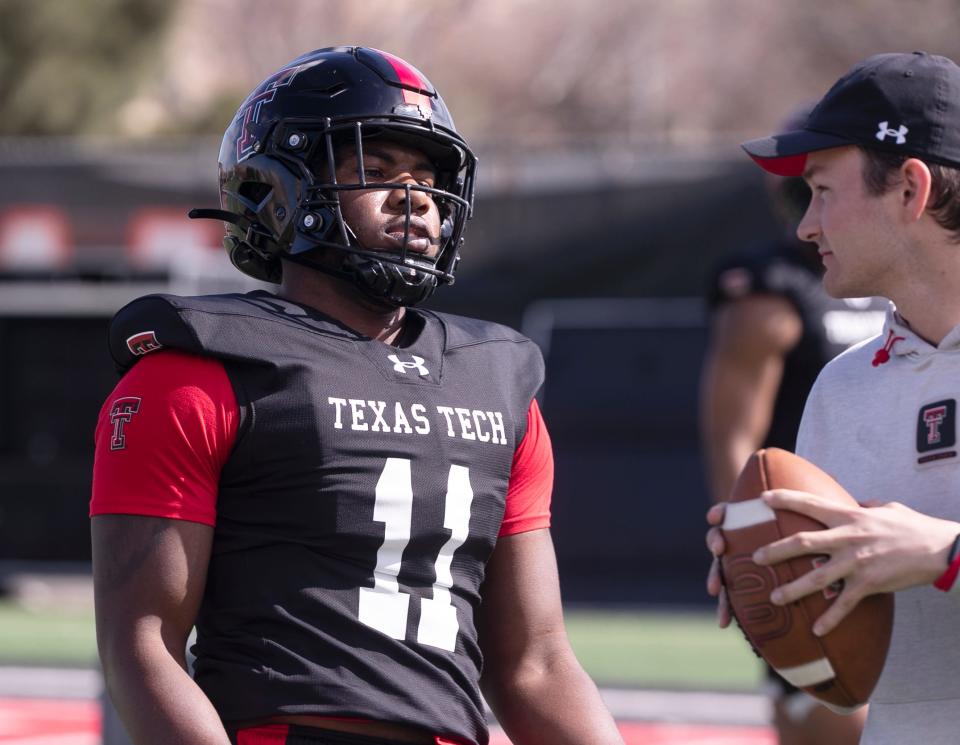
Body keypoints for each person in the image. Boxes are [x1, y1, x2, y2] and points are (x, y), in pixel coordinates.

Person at [90, 46, 623, 745]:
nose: (418, 196)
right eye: (375, 170)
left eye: (429, 176)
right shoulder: (196, 373)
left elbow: (535, 663)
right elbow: (143, 644)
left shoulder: (500, 385)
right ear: (281, 188)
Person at [706, 51, 960, 744]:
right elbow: (846, 651)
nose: (804, 226)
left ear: (910, 189)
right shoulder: (841, 387)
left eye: (822, 191)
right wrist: (771, 576)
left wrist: (947, 552)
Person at [699, 105, 883, 745]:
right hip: (807, 542)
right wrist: (744, 539)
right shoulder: (770, 289)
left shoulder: (904, 287)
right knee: (836, 716)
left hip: (894, 521)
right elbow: (732, 431)